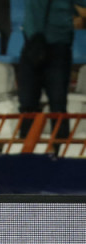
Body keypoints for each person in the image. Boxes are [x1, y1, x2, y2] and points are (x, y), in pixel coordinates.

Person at [18, 0, 86, 155]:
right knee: (27, 103)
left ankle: (60, 153)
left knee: (58, 103)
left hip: (58, 46)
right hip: (32, 44)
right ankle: (25, 153)